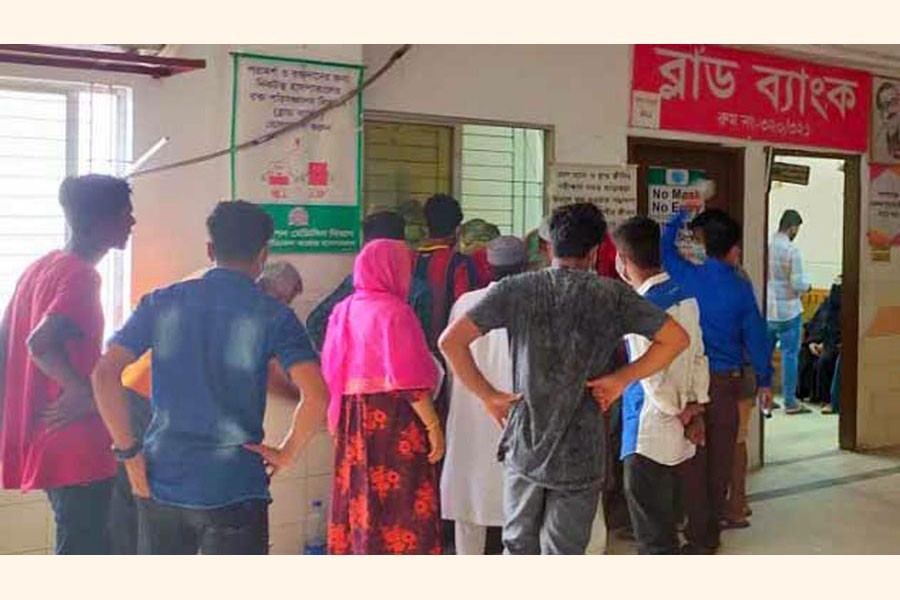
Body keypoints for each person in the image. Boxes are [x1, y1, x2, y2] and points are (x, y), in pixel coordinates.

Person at [439, 203, 689, 555]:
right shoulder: (612, 295)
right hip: (581, 451)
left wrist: (489, 396)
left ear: (550, 247)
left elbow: (450, 342)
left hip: (525, 442)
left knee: (517, 548)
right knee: (564, 553)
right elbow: (676, 339)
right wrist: (620, 380)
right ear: (596, 251)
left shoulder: (516, 289)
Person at [91, 201, 330, 555]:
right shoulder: (274, 315)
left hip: (162, 479)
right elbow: (317, 396)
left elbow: (104, 373)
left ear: (210, 249)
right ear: (263, 254)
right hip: (235, 485)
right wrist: (287, 453)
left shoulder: (160, 302)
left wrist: (129, 455)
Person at [108, 260, 306, 554]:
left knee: (152, 516)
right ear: (269, 286)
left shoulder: (202, 287)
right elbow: (271, 375)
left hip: (142, 397)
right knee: (145, 511)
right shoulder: (246, 307)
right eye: (284, 300)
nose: (282, 307)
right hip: (146, 403)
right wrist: (303, 395)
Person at [0, 175, 134, 554]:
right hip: (77, 446)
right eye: (126, 214)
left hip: (47, 442)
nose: (132, 222)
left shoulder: (40, 269)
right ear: (101, 222)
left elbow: (6, 344)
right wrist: (82, 391)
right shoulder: (81, 277)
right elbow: (38, 344)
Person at [662, 205, 774, 553]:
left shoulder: (686, 276)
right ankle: (712, 532)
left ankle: (696, 535)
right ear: (733, 249)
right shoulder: (740, 288)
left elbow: (664, 247)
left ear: (702, 244)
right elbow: (756, 337)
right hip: (726, 384)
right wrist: (766, 381)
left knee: (693, 458)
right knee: (721, 461)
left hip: (691, 384)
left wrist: (682, 214)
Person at [322, 239, 444, 555]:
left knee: (359, 501)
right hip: (394, 422)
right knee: (401, 506)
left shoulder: (342, 310)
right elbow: (411, 380)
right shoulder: (396, 312)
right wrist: (433, 426)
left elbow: (333, 370)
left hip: (352, 422)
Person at [612, 216, 710, 554]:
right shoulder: (686, 297)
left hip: (648, 431)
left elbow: (649, 375)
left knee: (653, 535)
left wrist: (677, 410)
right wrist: (695, 404)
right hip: (681, 428)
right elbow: (699, 354)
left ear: (623, 262)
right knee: (668, 521)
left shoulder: (640, 309)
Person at [440, 235, 525, 554]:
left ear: (488, 267)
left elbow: (451, 360)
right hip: (510, 410)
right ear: (525, 266)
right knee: (513, 499)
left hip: (471, 406)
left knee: (469, 495)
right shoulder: (528, 302)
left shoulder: (464, 302)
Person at [306, 211, 430, 351]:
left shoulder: (354, 284)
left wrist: (345, 355)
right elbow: (421, 347)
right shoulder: (418, 291)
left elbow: (315, 323)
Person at [416, 194, 480, 347]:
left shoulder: (409, 260)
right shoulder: (459, 264)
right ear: (457, 230)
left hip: (414, 347)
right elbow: (465, 310)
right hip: (446, 349)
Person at [767, 209, 812, 415]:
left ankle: (764, 399)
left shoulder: (766, 247)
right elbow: (797, 283)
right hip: (789, 311)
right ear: (792, 227)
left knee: (763, 355)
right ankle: (790, 401)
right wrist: (807, 286)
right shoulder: (792, 250)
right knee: (790, 356)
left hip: (767, 310)